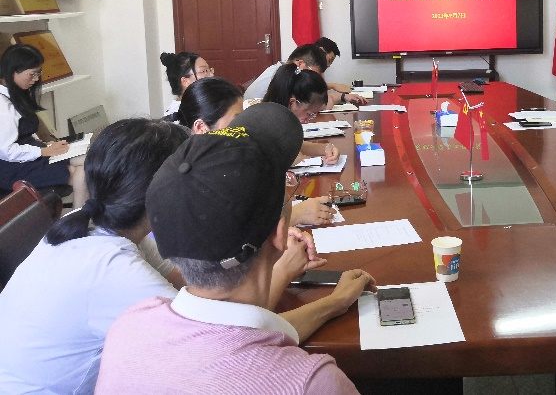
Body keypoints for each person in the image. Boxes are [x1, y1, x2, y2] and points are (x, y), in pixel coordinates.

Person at [96, 103, 375, 394]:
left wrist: (334, 304)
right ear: (280, 234)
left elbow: (231, 337)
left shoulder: (129, 326)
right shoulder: (311, 383)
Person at [0, 118, 189, 394]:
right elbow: (205, 341)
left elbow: (178, 281)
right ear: (163, 191)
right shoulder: (112, 269)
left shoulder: (90, 221)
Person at [181, 76, 336, 226]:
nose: (242, 127)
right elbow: (226, 232)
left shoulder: (225, 155)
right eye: (236, 120)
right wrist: (295, 215)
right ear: (201, 128)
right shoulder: (190, 179)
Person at [0, 44, 86, 206]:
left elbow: (20, 134)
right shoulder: (3, 106)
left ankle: (79, 216)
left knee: (88, 161)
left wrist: (42, 145)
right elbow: (6, 151)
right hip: (13, 168)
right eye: (32, 74)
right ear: (13, 71)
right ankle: (79, 216)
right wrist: (43, 150)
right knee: (83, 171)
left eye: (38, 73)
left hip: (28, 155)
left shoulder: (15, 93)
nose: (36, 79)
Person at [263, 62, 340, 167]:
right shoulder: (266, 122)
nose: (309, 120)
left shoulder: (280, 116)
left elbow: (294, 145)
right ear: (292, 103)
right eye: (309, 114)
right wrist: (293, 159)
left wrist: (326, 148)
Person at [160, 51, 214, 117]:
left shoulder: (204, 104)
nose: (211, 75)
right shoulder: (177, 116)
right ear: (185, 81)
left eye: (210, 70)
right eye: (204, 71)